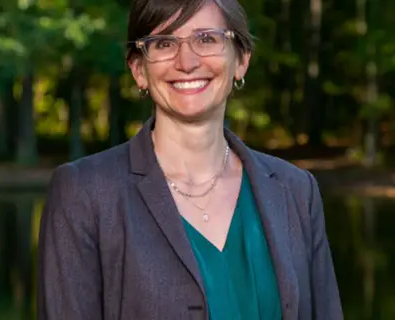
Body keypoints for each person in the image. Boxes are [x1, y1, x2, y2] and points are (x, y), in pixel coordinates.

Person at [37, 0, 343, 319]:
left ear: (241, 60)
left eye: (207, 38)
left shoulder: (295, 190)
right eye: (164, 43)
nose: (187, 61)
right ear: (139, 69)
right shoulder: (85, 193)